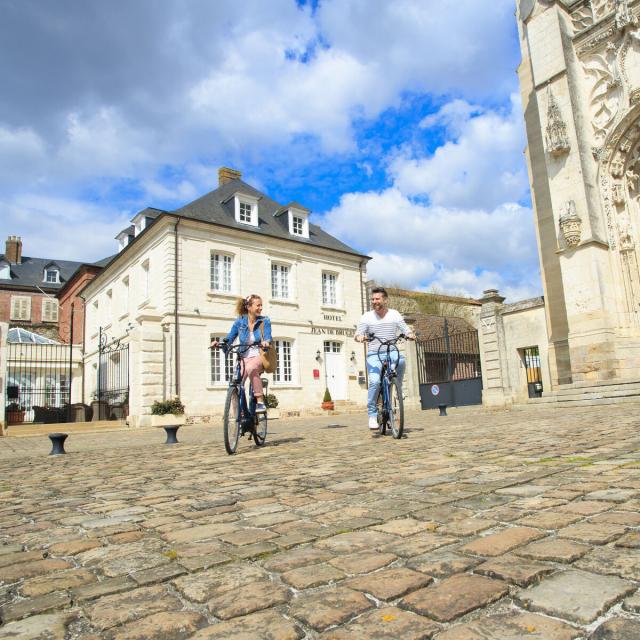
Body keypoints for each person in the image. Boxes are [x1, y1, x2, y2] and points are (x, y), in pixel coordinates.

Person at [355, 287, 415, 433]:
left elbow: (404, 328)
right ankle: (372, 414)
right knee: (375, 381)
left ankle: (396, 388)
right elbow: (357, 334)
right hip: (374, 354)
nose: (374, 301)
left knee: (401, 361)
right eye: (373, 299)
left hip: (391, 350)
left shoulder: (394, 314)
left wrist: (409, 334)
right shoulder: (367, 317)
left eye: (377, 299)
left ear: (385, 300)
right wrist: (360, 337)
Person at [211, 294, 272, 413]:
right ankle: (239, 415)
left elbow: (268, 336)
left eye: (261, 305)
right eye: (258, 305)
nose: (260, 308)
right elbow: (230, 337)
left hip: (259, 355)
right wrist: (220, 343)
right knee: (234, 384)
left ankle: (260, 401)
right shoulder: (239, 321)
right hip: (243, 356)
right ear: (249, 307)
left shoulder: (265, 320)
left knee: (251, 367)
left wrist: (266, 342)